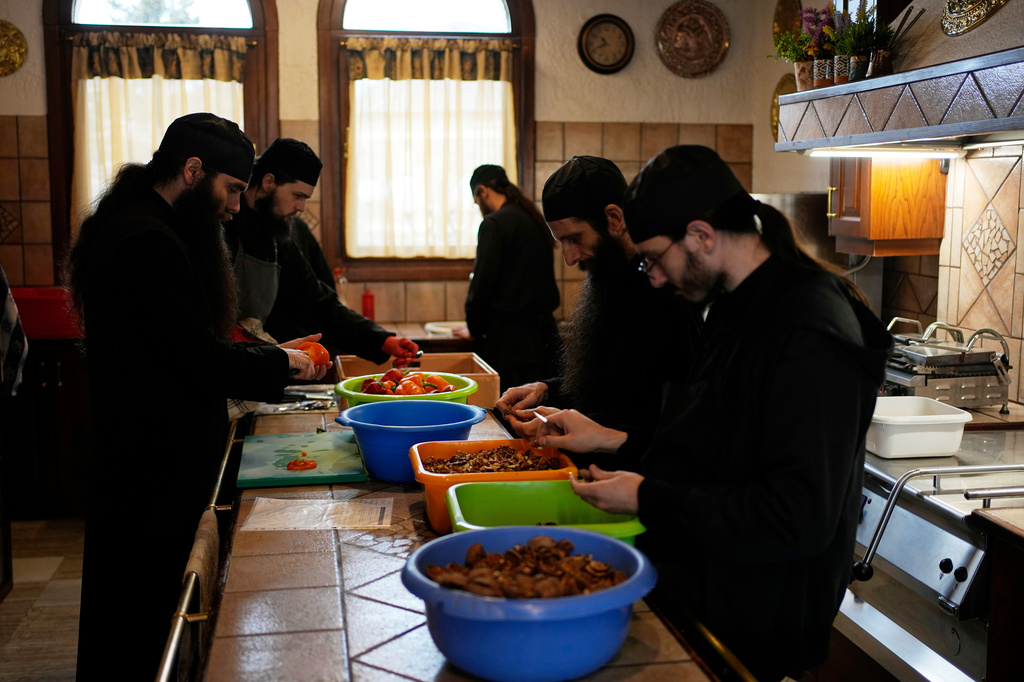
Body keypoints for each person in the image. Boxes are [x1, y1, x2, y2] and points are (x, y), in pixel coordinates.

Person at [534, 146, 892, 681]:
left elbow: (794, 517)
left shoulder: (809, 328)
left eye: (654, 259)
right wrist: (615, 444)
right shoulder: (738, 304)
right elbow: (713, 445)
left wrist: (645, 495)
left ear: (701, 236)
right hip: (711, 585)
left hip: (760, 613)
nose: (651, 278)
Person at [64, 113, 330, 677]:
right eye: (231, 189)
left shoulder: (143, 222)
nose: (236, 205)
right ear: (192, 171)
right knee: (141, 617)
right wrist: (281, 361)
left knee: (141, 611)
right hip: (151, 464)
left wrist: (269, 357)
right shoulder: (146, 240)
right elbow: (196, 357)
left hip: (149, 453)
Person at [497, 156, 703, 453]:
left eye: (574, 238)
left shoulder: (668, 296)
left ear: (614, 219)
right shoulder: (608, 276)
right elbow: (608, 386)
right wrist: (546, 390)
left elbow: (667, 427)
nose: (569, 258)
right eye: (561, 242)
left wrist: (565, 423)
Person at [225, 137, 419, 364]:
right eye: (298, 196)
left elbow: (318, 303)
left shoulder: (279, 236)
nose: (301, 208)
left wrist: (382, 340)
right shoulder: (224, 224)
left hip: (261, 363)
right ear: (269, 182)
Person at [463, 164, 560, 391]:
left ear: (483, 191)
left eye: (476, 200)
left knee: (511, 413)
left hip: (511, 345)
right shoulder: (532, 219)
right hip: (544, 338)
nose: (479, 206)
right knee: (538, 414)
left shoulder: (494, 224)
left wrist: (474, 327)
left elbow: (482, 285)